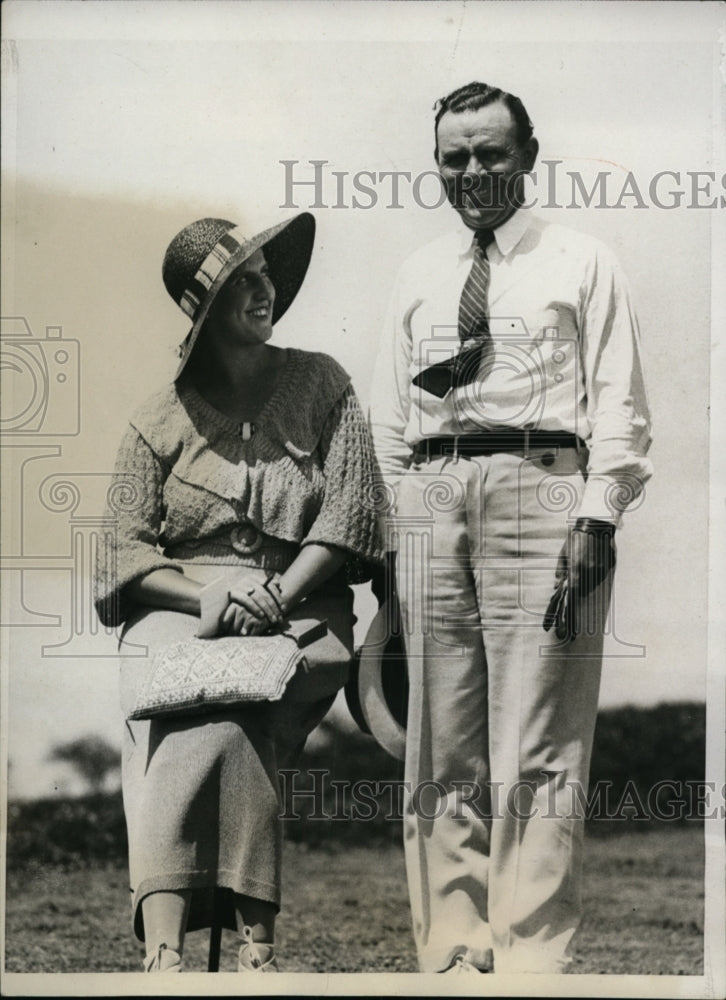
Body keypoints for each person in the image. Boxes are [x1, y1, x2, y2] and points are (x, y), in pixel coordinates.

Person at [369, 81, 653, 974]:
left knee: (538, 743)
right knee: (442, 742)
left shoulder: (582, 260)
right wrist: (396, 532)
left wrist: (598, 514)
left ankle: (530, 959)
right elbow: (385, 416)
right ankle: (452, 951)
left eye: (492, 153)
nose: (474, 172)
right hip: (433, 488)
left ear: (527, 157)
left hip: (547, 488)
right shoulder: (419, 272)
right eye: (455, 157)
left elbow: (620, 401)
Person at [95, 211, 382, 972]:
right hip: (182, 609)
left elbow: (352, 510)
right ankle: (224, 950)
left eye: (265, 275)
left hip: (305, 609)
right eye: (240, 283)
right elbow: (120, 549)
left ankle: (186, 949)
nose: (264, 290)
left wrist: (276, 596)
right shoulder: (156, 417)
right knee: (184, 700)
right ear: (204, 310)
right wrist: (201, 600)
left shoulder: (323, 383)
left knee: (218, 707)